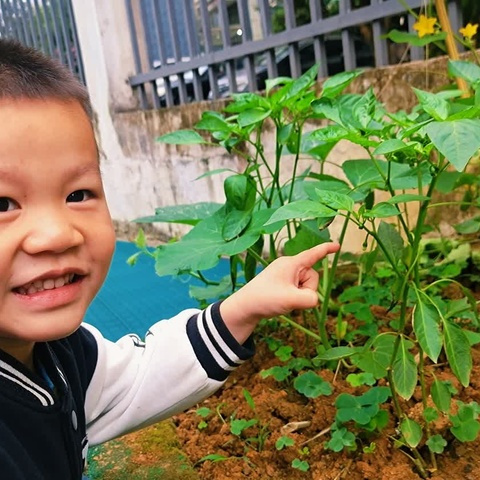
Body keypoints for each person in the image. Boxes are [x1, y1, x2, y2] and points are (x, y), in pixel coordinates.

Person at [0, 38, 340, 479]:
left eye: (78, 194)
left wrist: (242, 308)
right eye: (4, 203)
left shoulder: (64, 354)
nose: (57, 234)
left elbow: (139, 379)